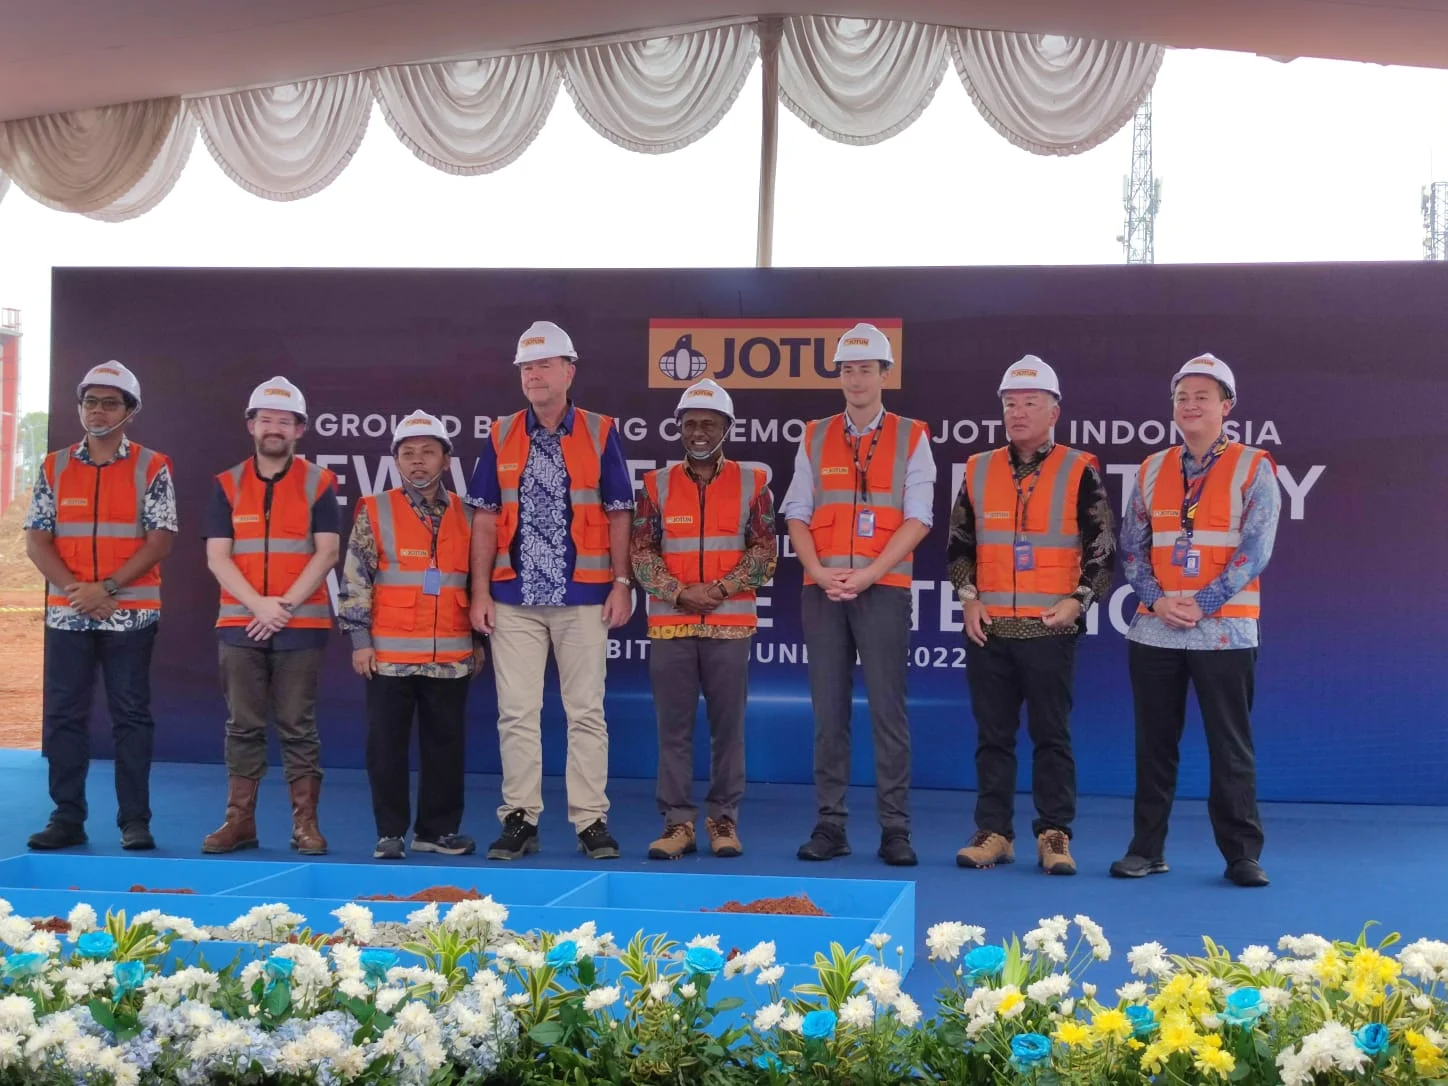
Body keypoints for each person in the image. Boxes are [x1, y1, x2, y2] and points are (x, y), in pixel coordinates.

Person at [1111, 353, 1281, 888]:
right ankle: (1146, 849)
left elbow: (1255, 549)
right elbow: (1131, 546)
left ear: (1226, 406)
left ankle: (1242, 855)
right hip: (1156, 628)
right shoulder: (1152, 468)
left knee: (1230, 747)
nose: (1189, 405)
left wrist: (1202, 602)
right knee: (1154, 746)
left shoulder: (1253, 466)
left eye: (1202, 397)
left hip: (1226, 630)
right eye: (1181, 397)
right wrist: (1158, 600)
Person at [467, 321, 635, 861]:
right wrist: (480, 592)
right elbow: (485, 518)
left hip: (583, 597)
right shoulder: (500, 434)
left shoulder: (600, 431)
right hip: (513, 599)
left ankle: (591, 821)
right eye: (526, 367)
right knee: (517, 713)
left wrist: (621, 582)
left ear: (569, 372)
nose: (533, 375)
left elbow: (619, 512)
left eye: (544, 365)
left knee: (586, 712)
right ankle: (520, 817)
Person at [946, 357, 1116, 875]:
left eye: (1030, 403)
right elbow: (959, 545)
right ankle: (993, 832)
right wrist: (968, 597)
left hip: (1049, 628)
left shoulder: (1078, 468)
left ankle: (1054, 833)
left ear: (1054, 411)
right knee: (992, 738)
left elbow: (1103, 546)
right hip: (989, 630)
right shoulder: (978, 469)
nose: (1017, 413)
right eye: (1010, 404)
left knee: (1052, 736)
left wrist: (1079, 600)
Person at [781, 322, 936, 867]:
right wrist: (817, 571)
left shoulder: (911, 436)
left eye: (865, 369)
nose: (855, 379)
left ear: (885, 374)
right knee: (829, 712)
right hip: (822, 588)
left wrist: (869, 573)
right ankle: (831, 824)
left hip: (883, 587)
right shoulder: (815, 435)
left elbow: (919, 517)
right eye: (847, 370)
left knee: (888, 712)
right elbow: (797, 512)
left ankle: (895, 829)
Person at [22, 361, 176, 851]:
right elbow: (37, 540)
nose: (98, 411)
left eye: (110, 403)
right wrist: (78, 591)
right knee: (64, 716)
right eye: (90, 401)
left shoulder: (153, 465)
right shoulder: (54, 466)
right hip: (69, 612)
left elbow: (160, 540)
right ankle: (67, 817)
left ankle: (135, 821)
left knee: (130, 716)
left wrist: (105, 588)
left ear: (131, 411)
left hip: (130, 613)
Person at [632, 379, 777, 860]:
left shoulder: (753, 483)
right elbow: (641, 551)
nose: (698, 432)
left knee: (727, 730)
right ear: (678, 427)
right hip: (671, 625)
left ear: (726, 428)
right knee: (672, 730)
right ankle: (677, 822)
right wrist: (678, 592)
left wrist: (719, 590)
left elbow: (765, 551)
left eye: (708, 424)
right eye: (690, 423)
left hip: (729, 624)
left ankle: (723, 819)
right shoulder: (655, 485)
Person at [201, 377, 341, 855]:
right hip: (240, 623)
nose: (274, 428)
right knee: (242, 725)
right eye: (266, 419)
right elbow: (218, 556)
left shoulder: (320, 482)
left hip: (301, 624)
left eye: (285, 421)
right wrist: (258, 605)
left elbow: (327, 552)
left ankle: (306, 827)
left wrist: (282, 607)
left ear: (299, 429)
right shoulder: (227, 484)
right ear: (251, 426)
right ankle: (238, 822)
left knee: (298, 726)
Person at [339, 410, 487, 860]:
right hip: (390, 655)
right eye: (408, 453)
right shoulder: (375, 509)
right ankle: (390, 832)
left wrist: (478, 642)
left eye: (428, 452)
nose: (418, 461)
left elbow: (476, 582)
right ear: (396, 460)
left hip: (452, 654)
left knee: (446, 747)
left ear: (446, 459)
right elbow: (356, 578)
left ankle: (436, 831)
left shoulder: (470, 513)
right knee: (386, 747)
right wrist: (360, 641)